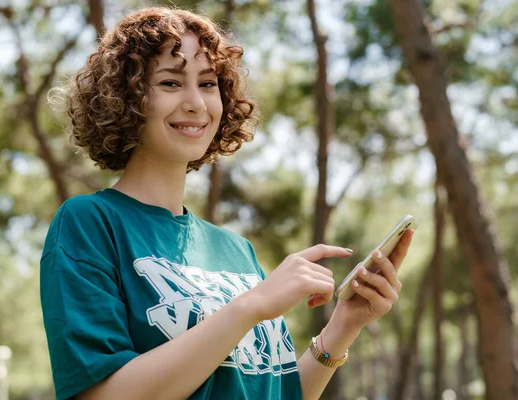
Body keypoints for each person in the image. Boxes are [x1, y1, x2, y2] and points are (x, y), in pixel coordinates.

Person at [40, 6, 414, 400]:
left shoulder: (236, 251)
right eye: (170, 83)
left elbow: (274, 392)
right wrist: (250, 306)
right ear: (124, 98)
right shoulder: (89, 223)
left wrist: (343, 326)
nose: (197, 104)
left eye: (207, 84)